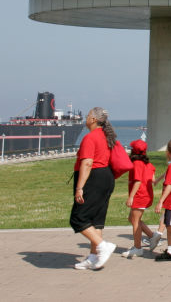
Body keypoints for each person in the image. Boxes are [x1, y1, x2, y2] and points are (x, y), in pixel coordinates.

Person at [71, 107, 118, 270]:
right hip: (106, 177)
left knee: (78, 218)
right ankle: (93, 257)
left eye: (88, 115)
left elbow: (87, 162)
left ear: (93, 120)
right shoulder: (106, 136)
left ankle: (102, 246)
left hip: (94, 178)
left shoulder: (90, 138)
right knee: (96, 220)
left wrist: (79, 187)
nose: (86, 117)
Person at [122, 139, 156, 258]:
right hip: (146, 194)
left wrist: (131, 196)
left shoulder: (136, 163)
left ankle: (137, 248)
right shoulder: (148, 164)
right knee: (132, 218)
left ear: (133, 151)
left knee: (135, 221)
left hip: (139, 195)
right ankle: (152, 236)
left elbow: (137, 181)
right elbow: (153, 180)